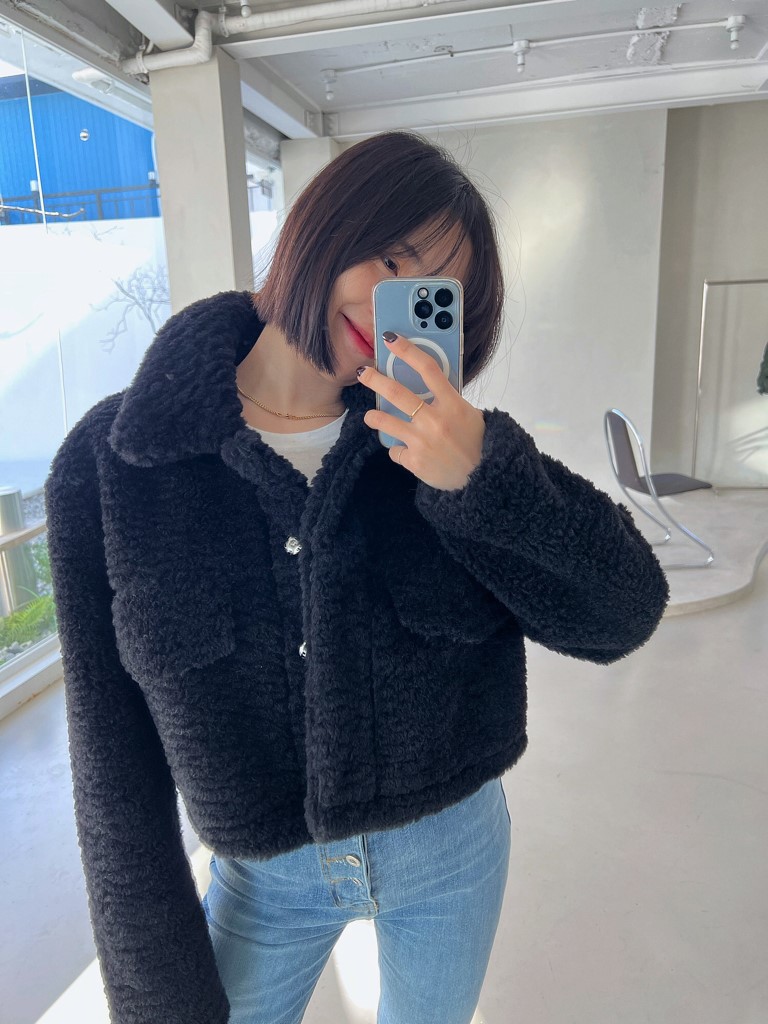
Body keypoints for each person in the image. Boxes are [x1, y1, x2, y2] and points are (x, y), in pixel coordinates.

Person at [44, 130, 670, 1024]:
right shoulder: (117, 461)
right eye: (390, 258)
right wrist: (160, 1005)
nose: (387, 307)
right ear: (321, 225)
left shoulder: (445, 451)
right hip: (263, 881)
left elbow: (624, 610)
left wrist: (481, 478)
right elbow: (113, 776)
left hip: (451, 854)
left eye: (429, 293)